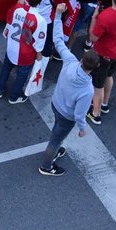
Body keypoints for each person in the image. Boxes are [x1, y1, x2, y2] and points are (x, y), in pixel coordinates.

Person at [37, 45, 99, 177]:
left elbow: (59, 43)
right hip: (67, 116)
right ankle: (46, 166)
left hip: (56, 104)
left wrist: (59, 23)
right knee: (56, 140)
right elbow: (79, 114)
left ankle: (55, 151)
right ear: (96, 66)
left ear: (82, 60)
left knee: (56, 131)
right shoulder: (87, 90)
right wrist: (82, 129)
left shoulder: (70, 61)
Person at [0, 0, 47, 104]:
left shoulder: (17, 8)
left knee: (6, 68)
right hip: (26, 54)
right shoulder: (40, 20)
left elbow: (9, 20)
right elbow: (39, 41)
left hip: (11, 46)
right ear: (40, 2)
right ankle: (14, 96)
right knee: (22, 75)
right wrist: (39, 55)